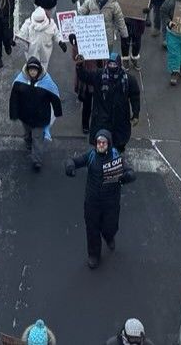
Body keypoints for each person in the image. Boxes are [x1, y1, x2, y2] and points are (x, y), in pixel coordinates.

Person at [65, 130, 136, 269]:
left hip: (111, 202)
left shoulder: (116, 158)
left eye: (104, 142)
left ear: (109, 144)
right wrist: (70, 167)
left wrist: (126, 177)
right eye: (99, 142)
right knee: (92, 229)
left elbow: (131, 172)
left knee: (110, 226)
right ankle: (94, 255)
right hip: (92, 201)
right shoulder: (91, 155)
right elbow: (73, 161)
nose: (101, 145)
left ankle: (109, 236)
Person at [8, 57, 62, 171]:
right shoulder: (20, 81)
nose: (32, 72)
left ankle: (36, 160)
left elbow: (54, 96)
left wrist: (57, 111)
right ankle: (28, 142)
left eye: (35, 70)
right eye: (31, 69)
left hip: (40, 118)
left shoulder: (47, 82)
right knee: (28, 134)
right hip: (25, 116)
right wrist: (14, 113)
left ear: (38, 70)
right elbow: (14, 98)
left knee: (37, 139)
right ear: (28, 70)